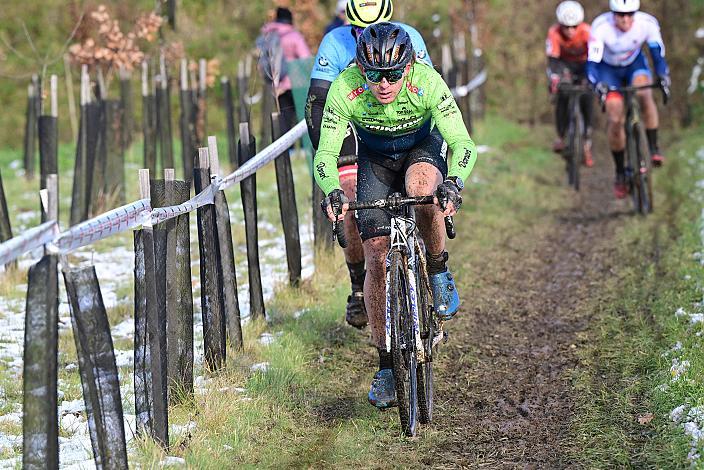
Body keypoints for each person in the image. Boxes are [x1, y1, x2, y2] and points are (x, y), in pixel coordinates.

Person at [314, 23, 477, 408]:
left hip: (422, 148)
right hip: (376, 161)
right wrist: (332, 191)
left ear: (408, 66)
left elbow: (462, 142)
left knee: (423, 192)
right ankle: (387, 365)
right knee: (375, 254)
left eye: (392, 74)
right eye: (373, 75)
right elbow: (325, 154)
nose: (383, 84)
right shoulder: (346, 88)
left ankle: (437, 270)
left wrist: (453, 182)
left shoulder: (428, 82)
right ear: (360, 69)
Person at [306, 0, 433, 330]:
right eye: (361, 31)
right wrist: (330, 155)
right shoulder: (334, 43)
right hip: (349, 124)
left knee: (419, 189)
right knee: (349, 197)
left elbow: (430, 91)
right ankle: (358, 287)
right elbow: (317, 104)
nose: (369, 36)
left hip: (398, 124)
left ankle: (428, 263)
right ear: (350, 25)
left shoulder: (410, 38)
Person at [587, 0, 671, 199]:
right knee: (615, 118)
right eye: (619, 14)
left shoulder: (647, 23)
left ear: (636, 12)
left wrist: (663, 76)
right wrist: (597, 84)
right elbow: (591, 63)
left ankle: (653, 147)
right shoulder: (601, 27)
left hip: (634, 64)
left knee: (644, 94)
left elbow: (657, 54)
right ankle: (619, 172)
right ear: (612, 13)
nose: (624, 19)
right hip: (608, 71)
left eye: (629, 14)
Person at [546, 1, 594, 167]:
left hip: (584, 65)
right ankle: (561, 135)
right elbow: (552, 60)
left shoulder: (588, 31)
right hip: (563, 65)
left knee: (588, 94)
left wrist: (592, 77)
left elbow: (594, 57)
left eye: (574, 26)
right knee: (562, 95)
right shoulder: (554, 32)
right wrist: (555, 78)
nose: (570, 31)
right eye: (566, 27)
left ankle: (587, 136)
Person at [258, 7, 312, 132]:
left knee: (284, 119)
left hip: (277, 84)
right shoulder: (294, 36)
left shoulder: (268, 36)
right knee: (303, 118)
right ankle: (305, 149)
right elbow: (305, 60)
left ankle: (286, 149)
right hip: (296, 84)